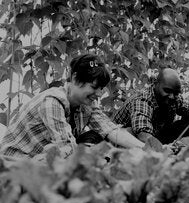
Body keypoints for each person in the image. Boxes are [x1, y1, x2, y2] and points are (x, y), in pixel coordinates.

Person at [0, 54, 144, 159]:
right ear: (75, 78)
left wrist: (147, 149)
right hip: (14, 163)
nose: (99, 94)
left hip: (39, 160)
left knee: (98, 139)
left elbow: (111, 130)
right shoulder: (53, 101)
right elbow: (66, 147)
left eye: (101, 88)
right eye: (94, 87)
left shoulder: (86, 105)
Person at [112, 68, 189, 145]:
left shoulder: (173, 97)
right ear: (155, 84)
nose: (172, 96)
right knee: (131, 132)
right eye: (167, 91)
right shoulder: (142, 100)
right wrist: (163, 151)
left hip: (153, 136)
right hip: (121, 141)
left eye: (176, 93)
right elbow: (143, 134)